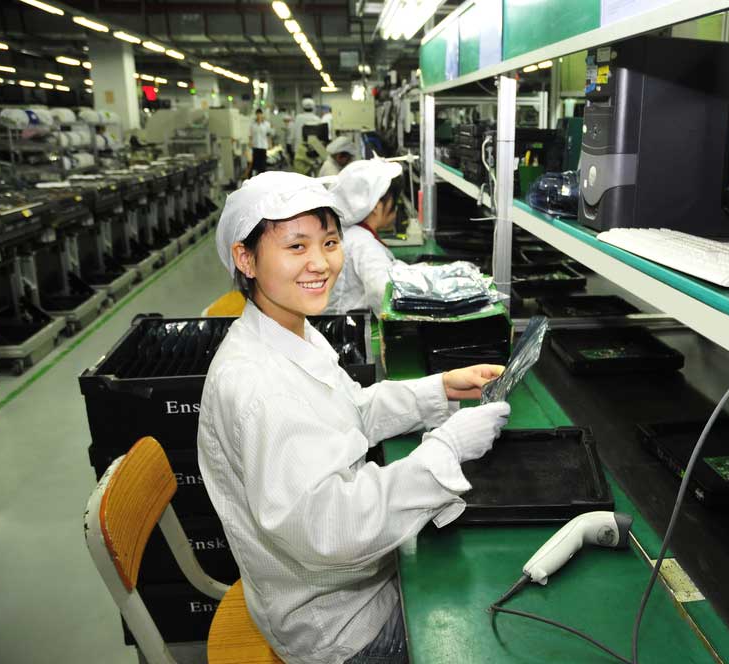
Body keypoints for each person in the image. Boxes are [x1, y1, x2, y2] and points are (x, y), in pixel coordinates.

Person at [198, 171, 510, 664]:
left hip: (348, 586)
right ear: (246, 258)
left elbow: (351, 412)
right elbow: (328, 529)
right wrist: (444, 452)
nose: (321, 263)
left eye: (329, 242)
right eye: (296, 247)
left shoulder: (290, 330)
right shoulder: (257, 387)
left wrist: (440, 389)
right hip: (341, 627)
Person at [324, 159, 403, 314]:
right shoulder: (364, 244)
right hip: (354, 330)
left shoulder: (347, 233)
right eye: (394, 201)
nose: (396, 208)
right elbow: (383, 294)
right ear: (376, 206)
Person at [249, 108, 271, 177]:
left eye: (260, 114)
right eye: (257, 114)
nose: (259, 116)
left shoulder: (266, 124)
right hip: (255, 146)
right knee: (255, 163)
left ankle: (262, 177)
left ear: (262, 115)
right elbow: (250, 135)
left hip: (263, 146)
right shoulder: (253, 124)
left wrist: (270, 143)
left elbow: (268, 135)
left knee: (263, 164)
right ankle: (255, 177)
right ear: (256, 115)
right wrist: (250, 142)